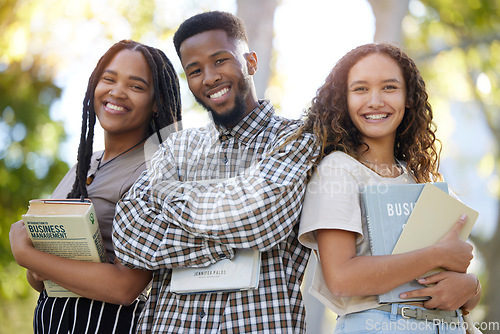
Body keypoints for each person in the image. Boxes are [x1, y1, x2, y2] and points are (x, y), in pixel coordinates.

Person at [112, 11, 316, 333]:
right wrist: (232, 238)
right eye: (195, 70)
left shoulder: (296, 138)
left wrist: (166, 195)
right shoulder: (177, 146)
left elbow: (262, 217)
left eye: (220, 61)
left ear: (250, 62)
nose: (208, 78)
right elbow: (128, 234)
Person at [297, 42, 481, 333]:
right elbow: (342, 277)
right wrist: (437, 255)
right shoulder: (338, 170)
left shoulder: (418, 177)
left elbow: (453, 280)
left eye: (389, 87)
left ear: (408, 97)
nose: (375, 101)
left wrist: (471, 286)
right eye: (360, 89)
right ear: (343, 100)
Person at [9, 39, 182, 334]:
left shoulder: (155, 171)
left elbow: (127, 287)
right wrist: (35, 261)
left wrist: (26, 254)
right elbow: (40, 281)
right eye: (109, 79)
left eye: (136, 86)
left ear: (156, 104)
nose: (117, 92)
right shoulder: (81, 167)